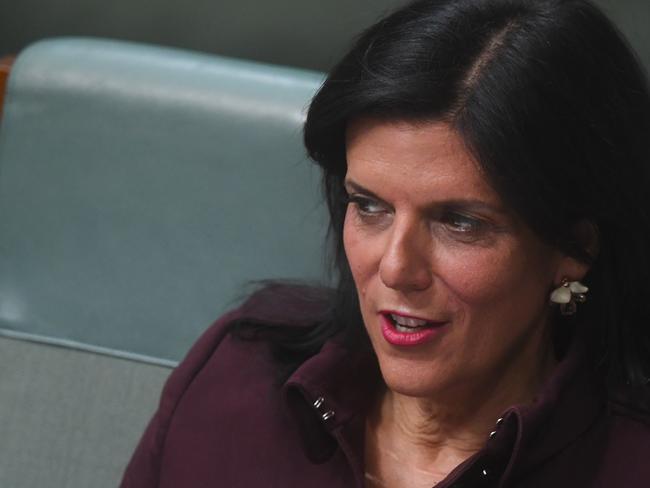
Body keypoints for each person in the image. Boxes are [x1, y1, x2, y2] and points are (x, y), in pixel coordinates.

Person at [121, 0, 650, 486]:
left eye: (459, 222)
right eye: (370, 206)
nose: (396, 268)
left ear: (575, 248)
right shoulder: (236, 376)